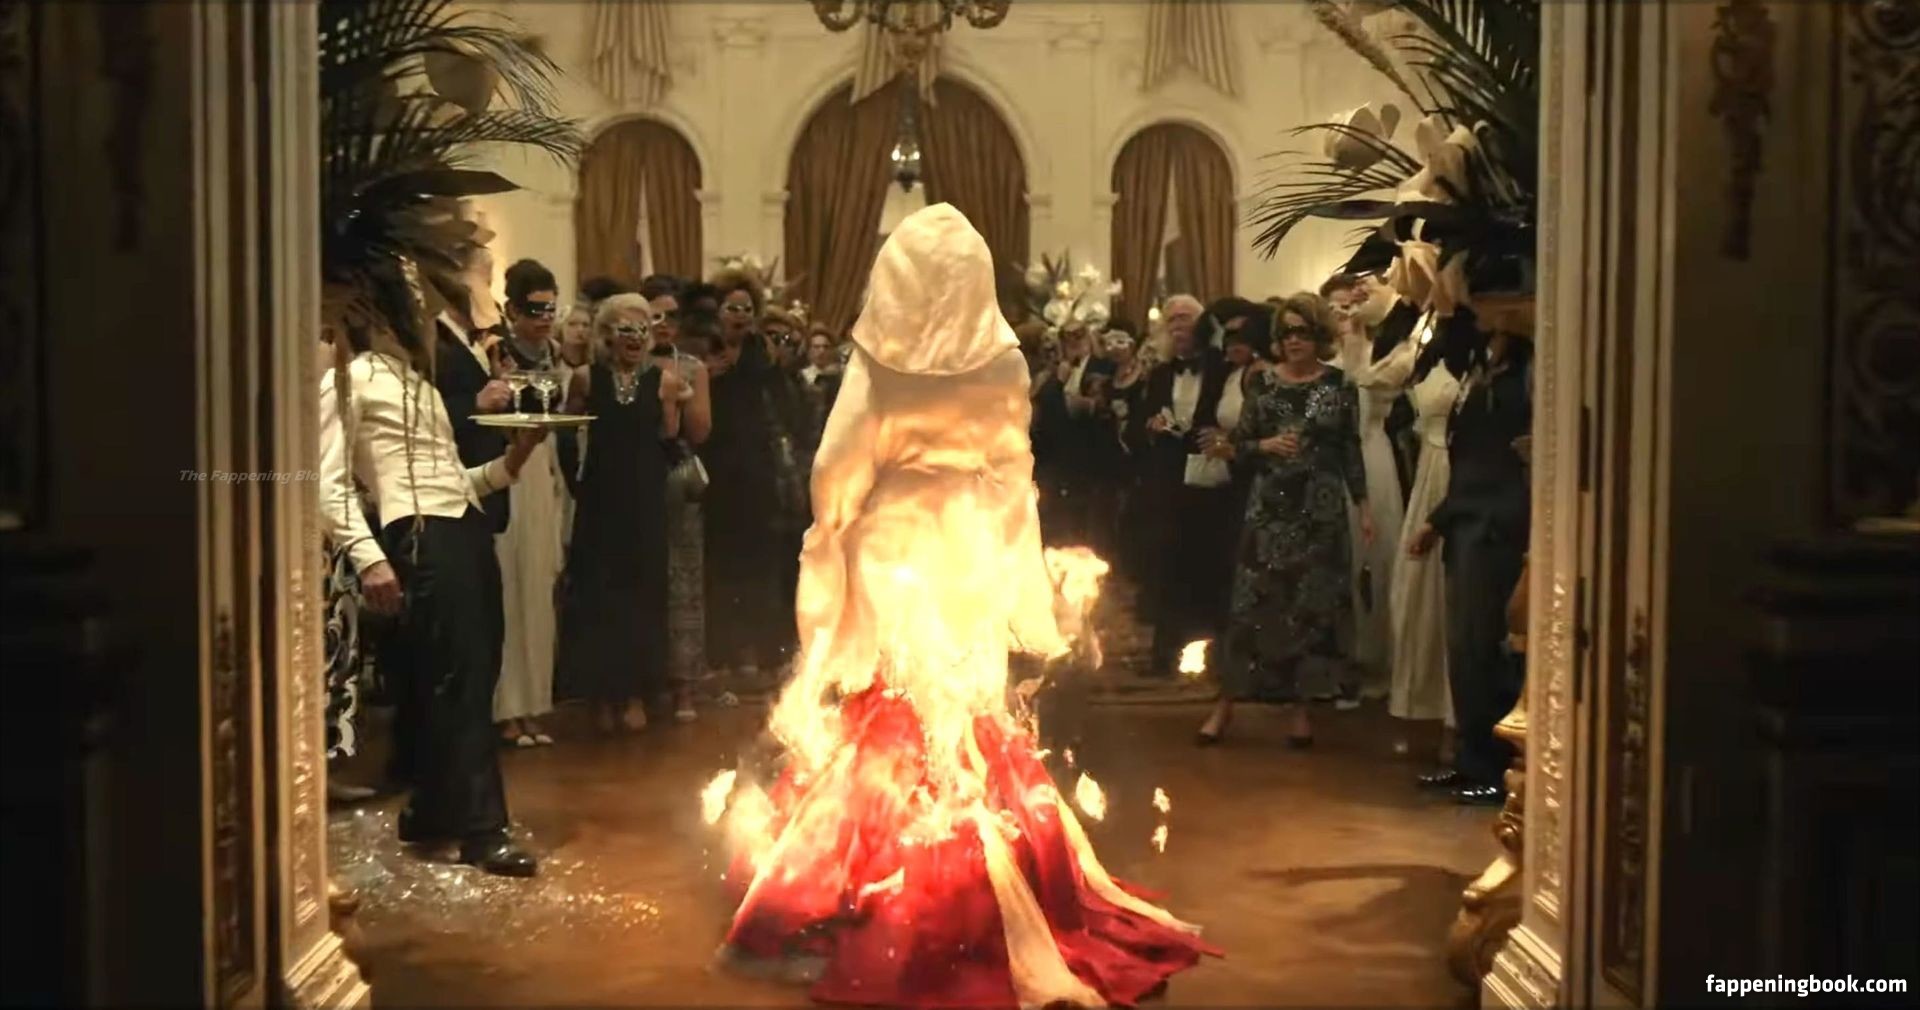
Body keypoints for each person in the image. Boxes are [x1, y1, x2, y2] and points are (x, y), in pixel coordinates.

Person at [716, 204, 1212, 1007]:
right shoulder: (1004, 361)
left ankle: (876, 877)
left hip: (894, 546)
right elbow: (1015, 473)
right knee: (968, 714)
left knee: (890, 709)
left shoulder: (879, 360)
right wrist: (1022, 586)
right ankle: (986, 862)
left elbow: (836, 466)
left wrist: (828, 539)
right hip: (971, 545)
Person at [319, 301, 548, 877]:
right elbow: (329, 483)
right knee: (459, 678)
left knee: (475, 672)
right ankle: (482, 830)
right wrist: (369, 557)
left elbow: (455, 481)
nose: (423, 322)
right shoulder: (349, 377)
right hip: (420, 534)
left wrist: (513, 459)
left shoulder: (420, 383)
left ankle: (431, 810)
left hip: (464, 526)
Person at [1196, 293, 1374, 746]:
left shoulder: (1339, 385)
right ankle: (1224, 707)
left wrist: (1364, 506)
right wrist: (1266, 446)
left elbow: (1350, 449)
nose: (1294, 341)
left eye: (1303, 332)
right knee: (1250, 609)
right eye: (1287, 332)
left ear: (1319, 336)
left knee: (1312, 611)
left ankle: (1301, 712)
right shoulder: (1263, 383)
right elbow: (1238, 444)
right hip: (1270, 511)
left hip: (1321, 511)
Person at [1405, 303, 1532, 805]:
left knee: (1484, 650)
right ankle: (1470, 759)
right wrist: (1441, 519)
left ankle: (1495, 768)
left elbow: (1499, 465)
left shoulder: (1523, 382)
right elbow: (1471, 462)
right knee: (1463, 651)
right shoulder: (1484, 375)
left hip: (1496, 527)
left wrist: (1450, 517)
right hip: (1469, 521)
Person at [555, 294, 685, 732]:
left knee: (642, 594)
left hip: (645, 502)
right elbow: (566, 432)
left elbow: (669, 437)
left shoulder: (664, 381)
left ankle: (635, 693)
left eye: (642, 330)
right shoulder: (585, 379)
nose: (635, 338)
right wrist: (576, 485)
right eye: (625, 329)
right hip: (599, 500)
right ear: (607, 335)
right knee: (598, 595)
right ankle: (601, 695)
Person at [1125, 293, 1231, 678]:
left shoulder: (1222, 368)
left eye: (1185, 318)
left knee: (1209, 563)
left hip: (1212, 478)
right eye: (1171, 320)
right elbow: (1136, 426)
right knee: (1168, 565)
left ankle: (1213, 654)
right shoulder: (1160, 374)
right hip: (1169, 481)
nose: (1178, 326)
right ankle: (1165, 653)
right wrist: (1151, 426)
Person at [701, 271, 799, 686]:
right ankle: (724, 655)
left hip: (758, 470)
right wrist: (708, 375)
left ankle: (759, 655)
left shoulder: (763, 352)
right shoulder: (704, 351)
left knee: (760, 564)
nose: (739, 316)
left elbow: (784, 407)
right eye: (731, 308)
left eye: (746, 308)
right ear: (718, 312)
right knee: (722, 566)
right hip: (716, 469)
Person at [1327, 273, 1418, 703]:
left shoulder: (1395, 352)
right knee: (1335, 561)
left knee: (1375, 558)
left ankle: (1377, 657)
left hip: (1373, 457)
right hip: (1331, 463)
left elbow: (1368, 390)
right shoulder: (1325, 360)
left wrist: (1356, 344)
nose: (1345, 313)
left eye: (1352, 304)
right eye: (1337, 307)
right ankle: (1336, 660)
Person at [491, 259, 569, 747]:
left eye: (549, 309)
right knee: (509, 587)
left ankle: (535, 705)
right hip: (508, 465)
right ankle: (508, 709)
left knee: (540, 587)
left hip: (545, 468)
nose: (544, 319)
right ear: (514, 310)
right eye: (535, 310)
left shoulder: (555, 355)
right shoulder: (497, 353)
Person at [646, 281, 714, 724]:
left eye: (671, 316)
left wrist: (680, 394)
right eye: (655, 315)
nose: (663, 324)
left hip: (678, 476)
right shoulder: (621, 365)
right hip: (635, 475)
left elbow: (701, 431)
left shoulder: (692, 367)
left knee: (684, 579)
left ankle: (685, 684)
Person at [1389, 358, 1462, 756]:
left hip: (1456, 473)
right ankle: (1423, 704)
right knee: (1417, 594)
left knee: (1453, 598)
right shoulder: (1428, 346)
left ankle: (1457, 719)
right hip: (1428, 474)